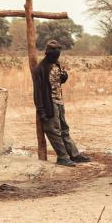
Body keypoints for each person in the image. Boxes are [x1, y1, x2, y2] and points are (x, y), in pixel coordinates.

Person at [31, 39, 91, 167]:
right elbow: (38, 93)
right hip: (49, 104)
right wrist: (41, 111)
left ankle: (74, 155)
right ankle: (62, 157)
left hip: (59, 101)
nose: (57, 57)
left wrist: (64, 77)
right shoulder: (40, 69)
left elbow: (57, 82)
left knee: (64, 129)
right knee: (53, 131)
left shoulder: (56, 64)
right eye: (55, 55)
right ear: (48, 54)